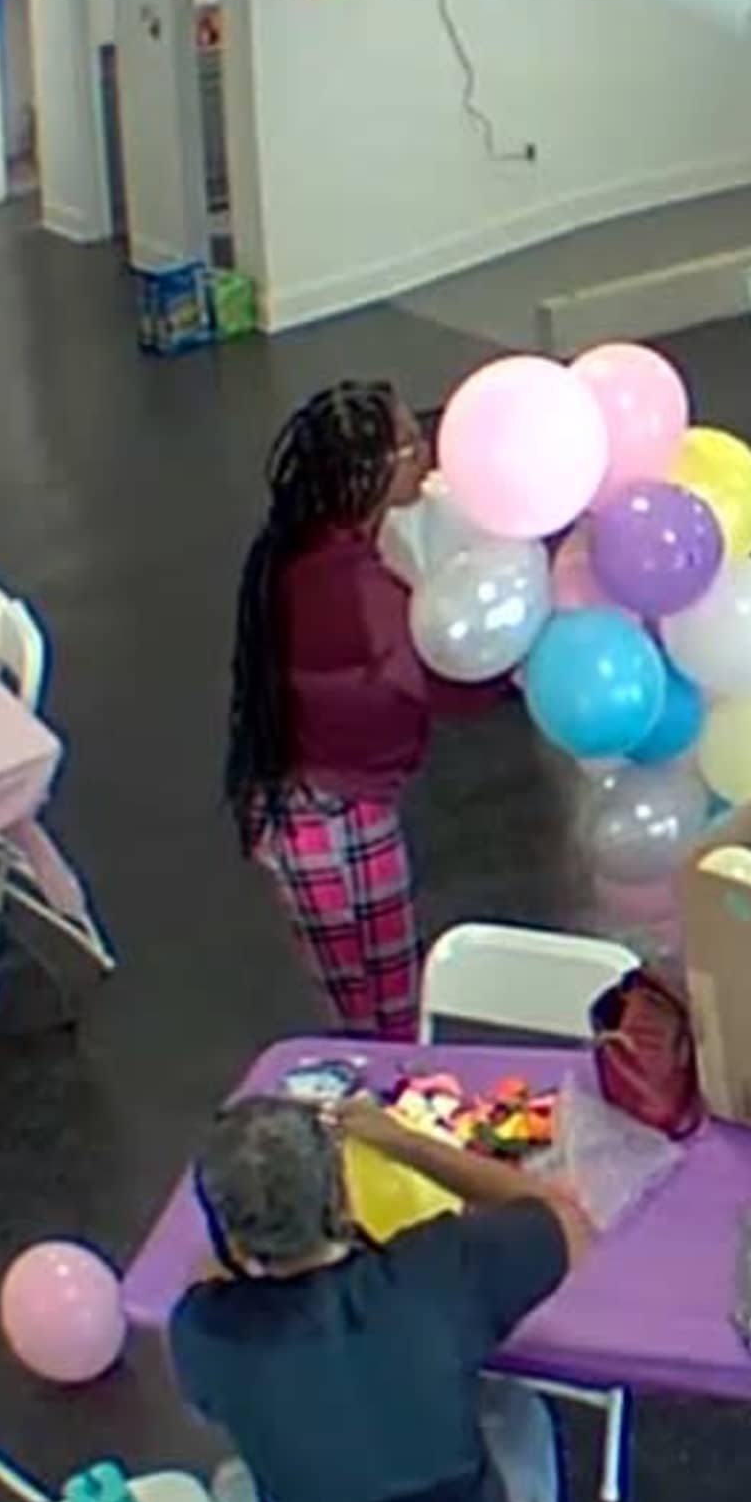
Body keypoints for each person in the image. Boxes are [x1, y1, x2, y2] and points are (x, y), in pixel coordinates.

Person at [174, 1093, 599, 1502]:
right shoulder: (437, 1272)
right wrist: (399, 1141)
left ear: (230, 1235)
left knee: (236, 1484)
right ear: (341, 1200)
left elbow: (202, 1297)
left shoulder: (205, 1331)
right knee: (517, 1407)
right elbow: (567, 1218)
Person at [221, 383, 501, 1040]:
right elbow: (438, 685)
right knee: (381, 1008)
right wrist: (509, 667)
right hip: (328, 817)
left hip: (322, 805)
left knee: (367, 1002)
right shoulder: (358, 589)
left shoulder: (306, 549)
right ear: (367, 472)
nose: (426, 454)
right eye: (409, 445)